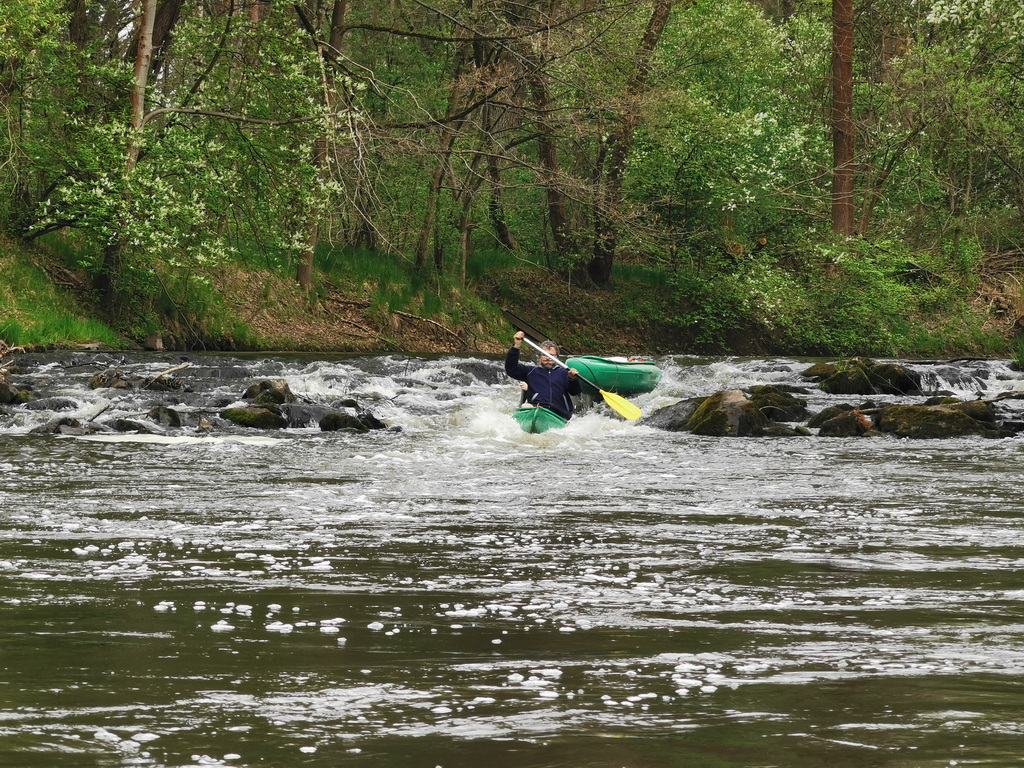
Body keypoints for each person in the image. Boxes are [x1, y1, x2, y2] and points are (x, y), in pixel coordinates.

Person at [505, 332, 582, 420]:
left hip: (559, 413)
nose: (548, 358)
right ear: (540, 357)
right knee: (525, 406)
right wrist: (516, 346)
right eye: (544, 354)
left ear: (557, 357)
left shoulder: (565, 373)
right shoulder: (530, 371)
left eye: (551, 355)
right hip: (536, 409)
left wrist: (573, 379)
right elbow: (511, 369)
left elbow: (575, 392)